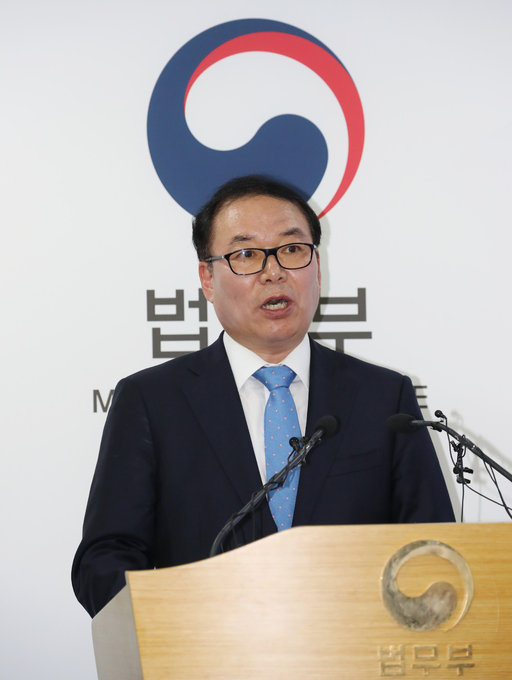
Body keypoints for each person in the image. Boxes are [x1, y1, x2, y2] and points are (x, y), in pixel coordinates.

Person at [72, 175, 454, 617]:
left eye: (292, 249)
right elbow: (105, 559)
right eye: (247, 254)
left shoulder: (383, 398)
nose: (274, 271)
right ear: (207, 278)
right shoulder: (152, 401)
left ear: (317, 266)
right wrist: (175, 624)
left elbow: (435, 552)